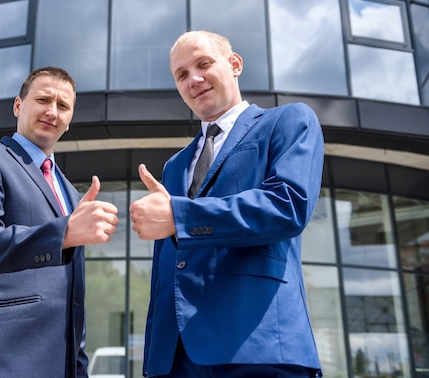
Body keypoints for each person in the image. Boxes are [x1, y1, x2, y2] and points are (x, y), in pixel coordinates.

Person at [130, 30, 324, 377]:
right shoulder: (175, 166)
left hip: (258, 346)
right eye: (182, 75)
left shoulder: (288, 121)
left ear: (234, 65)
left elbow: (287, 206)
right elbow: (169, 267)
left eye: (203, 64)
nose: (194, 79)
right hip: (176, 358)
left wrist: (179, 216)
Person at [0, 66, 119, 378]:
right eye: (43, 100)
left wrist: (78, 367)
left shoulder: (72, 196)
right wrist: (64, 233)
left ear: (70, 120)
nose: (52, 112)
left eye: (63, 106)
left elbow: (73, 294)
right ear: (18, 105)